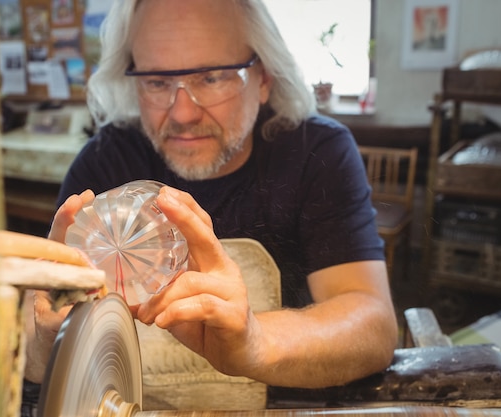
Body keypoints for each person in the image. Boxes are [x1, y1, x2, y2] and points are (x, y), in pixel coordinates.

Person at [21, 0, 398, 413]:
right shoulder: (104, 162)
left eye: (212, 78)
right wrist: (45, 336)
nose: (182, 113)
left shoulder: (316, 154)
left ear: (264, 77)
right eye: (157, 82)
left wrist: (256, 341)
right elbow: (35, 359)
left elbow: (373, 325)